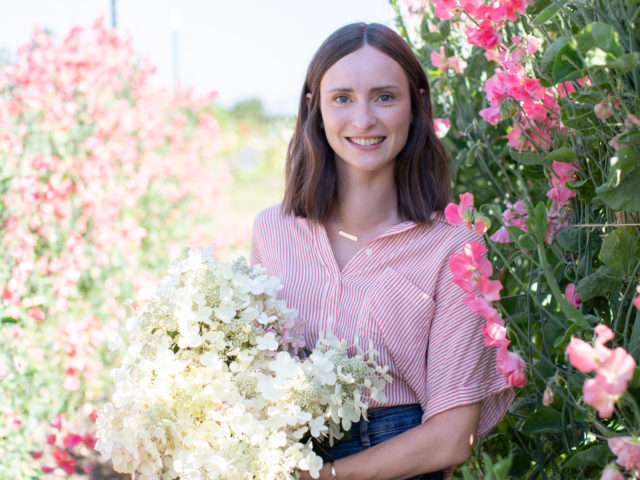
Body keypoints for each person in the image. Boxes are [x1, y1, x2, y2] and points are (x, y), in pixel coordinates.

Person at [250, 22, 513, 480]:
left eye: (385, 97)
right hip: (286, 459)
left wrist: (325, 477)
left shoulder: (454, 245)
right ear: (315, 108)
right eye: (343, 98)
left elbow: (452, 436)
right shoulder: (272, 230)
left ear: (416, 105)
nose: (364, 119)